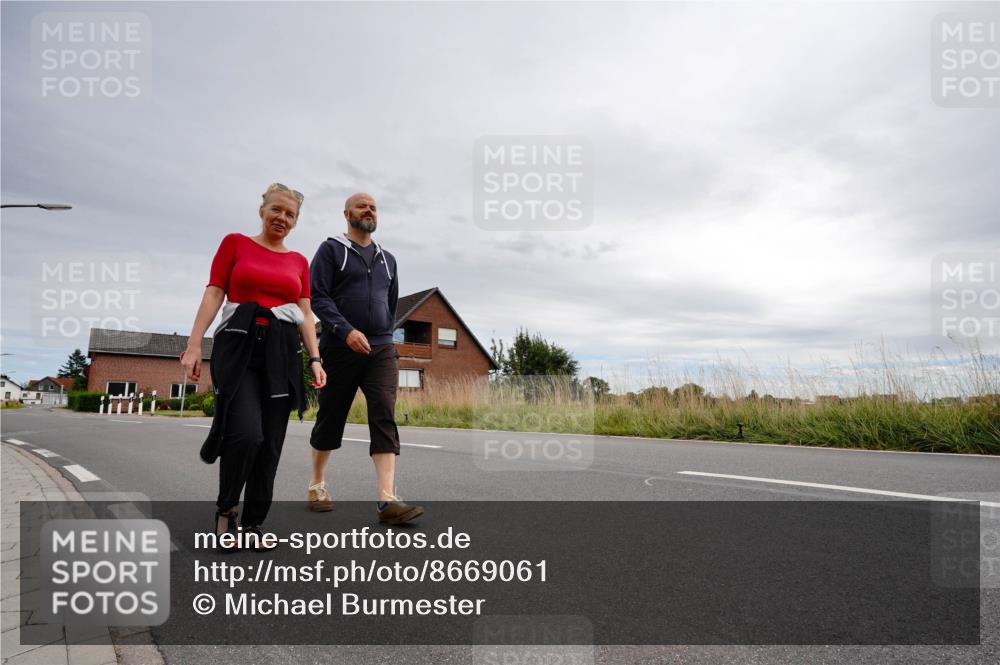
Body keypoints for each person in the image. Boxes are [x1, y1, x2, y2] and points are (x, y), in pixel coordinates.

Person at [182, 182, 326, 551]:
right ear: (262, 210)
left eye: (290, 214)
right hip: (240, 345)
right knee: (247, 434)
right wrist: (194, 343)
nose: (282, 217)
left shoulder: (298, 262)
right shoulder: (235, 243)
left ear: (296, 221)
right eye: (276, 210)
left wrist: (315, 358)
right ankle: (226, 512)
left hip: (282, 351)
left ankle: (253, 524)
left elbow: (305, 314)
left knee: (270, 444)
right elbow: (215, 292)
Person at [308, 192, 423, 525]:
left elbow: (390, 302)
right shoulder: (331, 250)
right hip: (339, 348)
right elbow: (318, 296)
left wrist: (382, 335)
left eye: (373, 207)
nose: (369, 210)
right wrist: (345, 330)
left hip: (380, 350)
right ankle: (317, 484)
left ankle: (386, 501)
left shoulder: (388, 259)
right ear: (347, 214)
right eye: (362, 206)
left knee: (384, 413)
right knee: (331, 416)